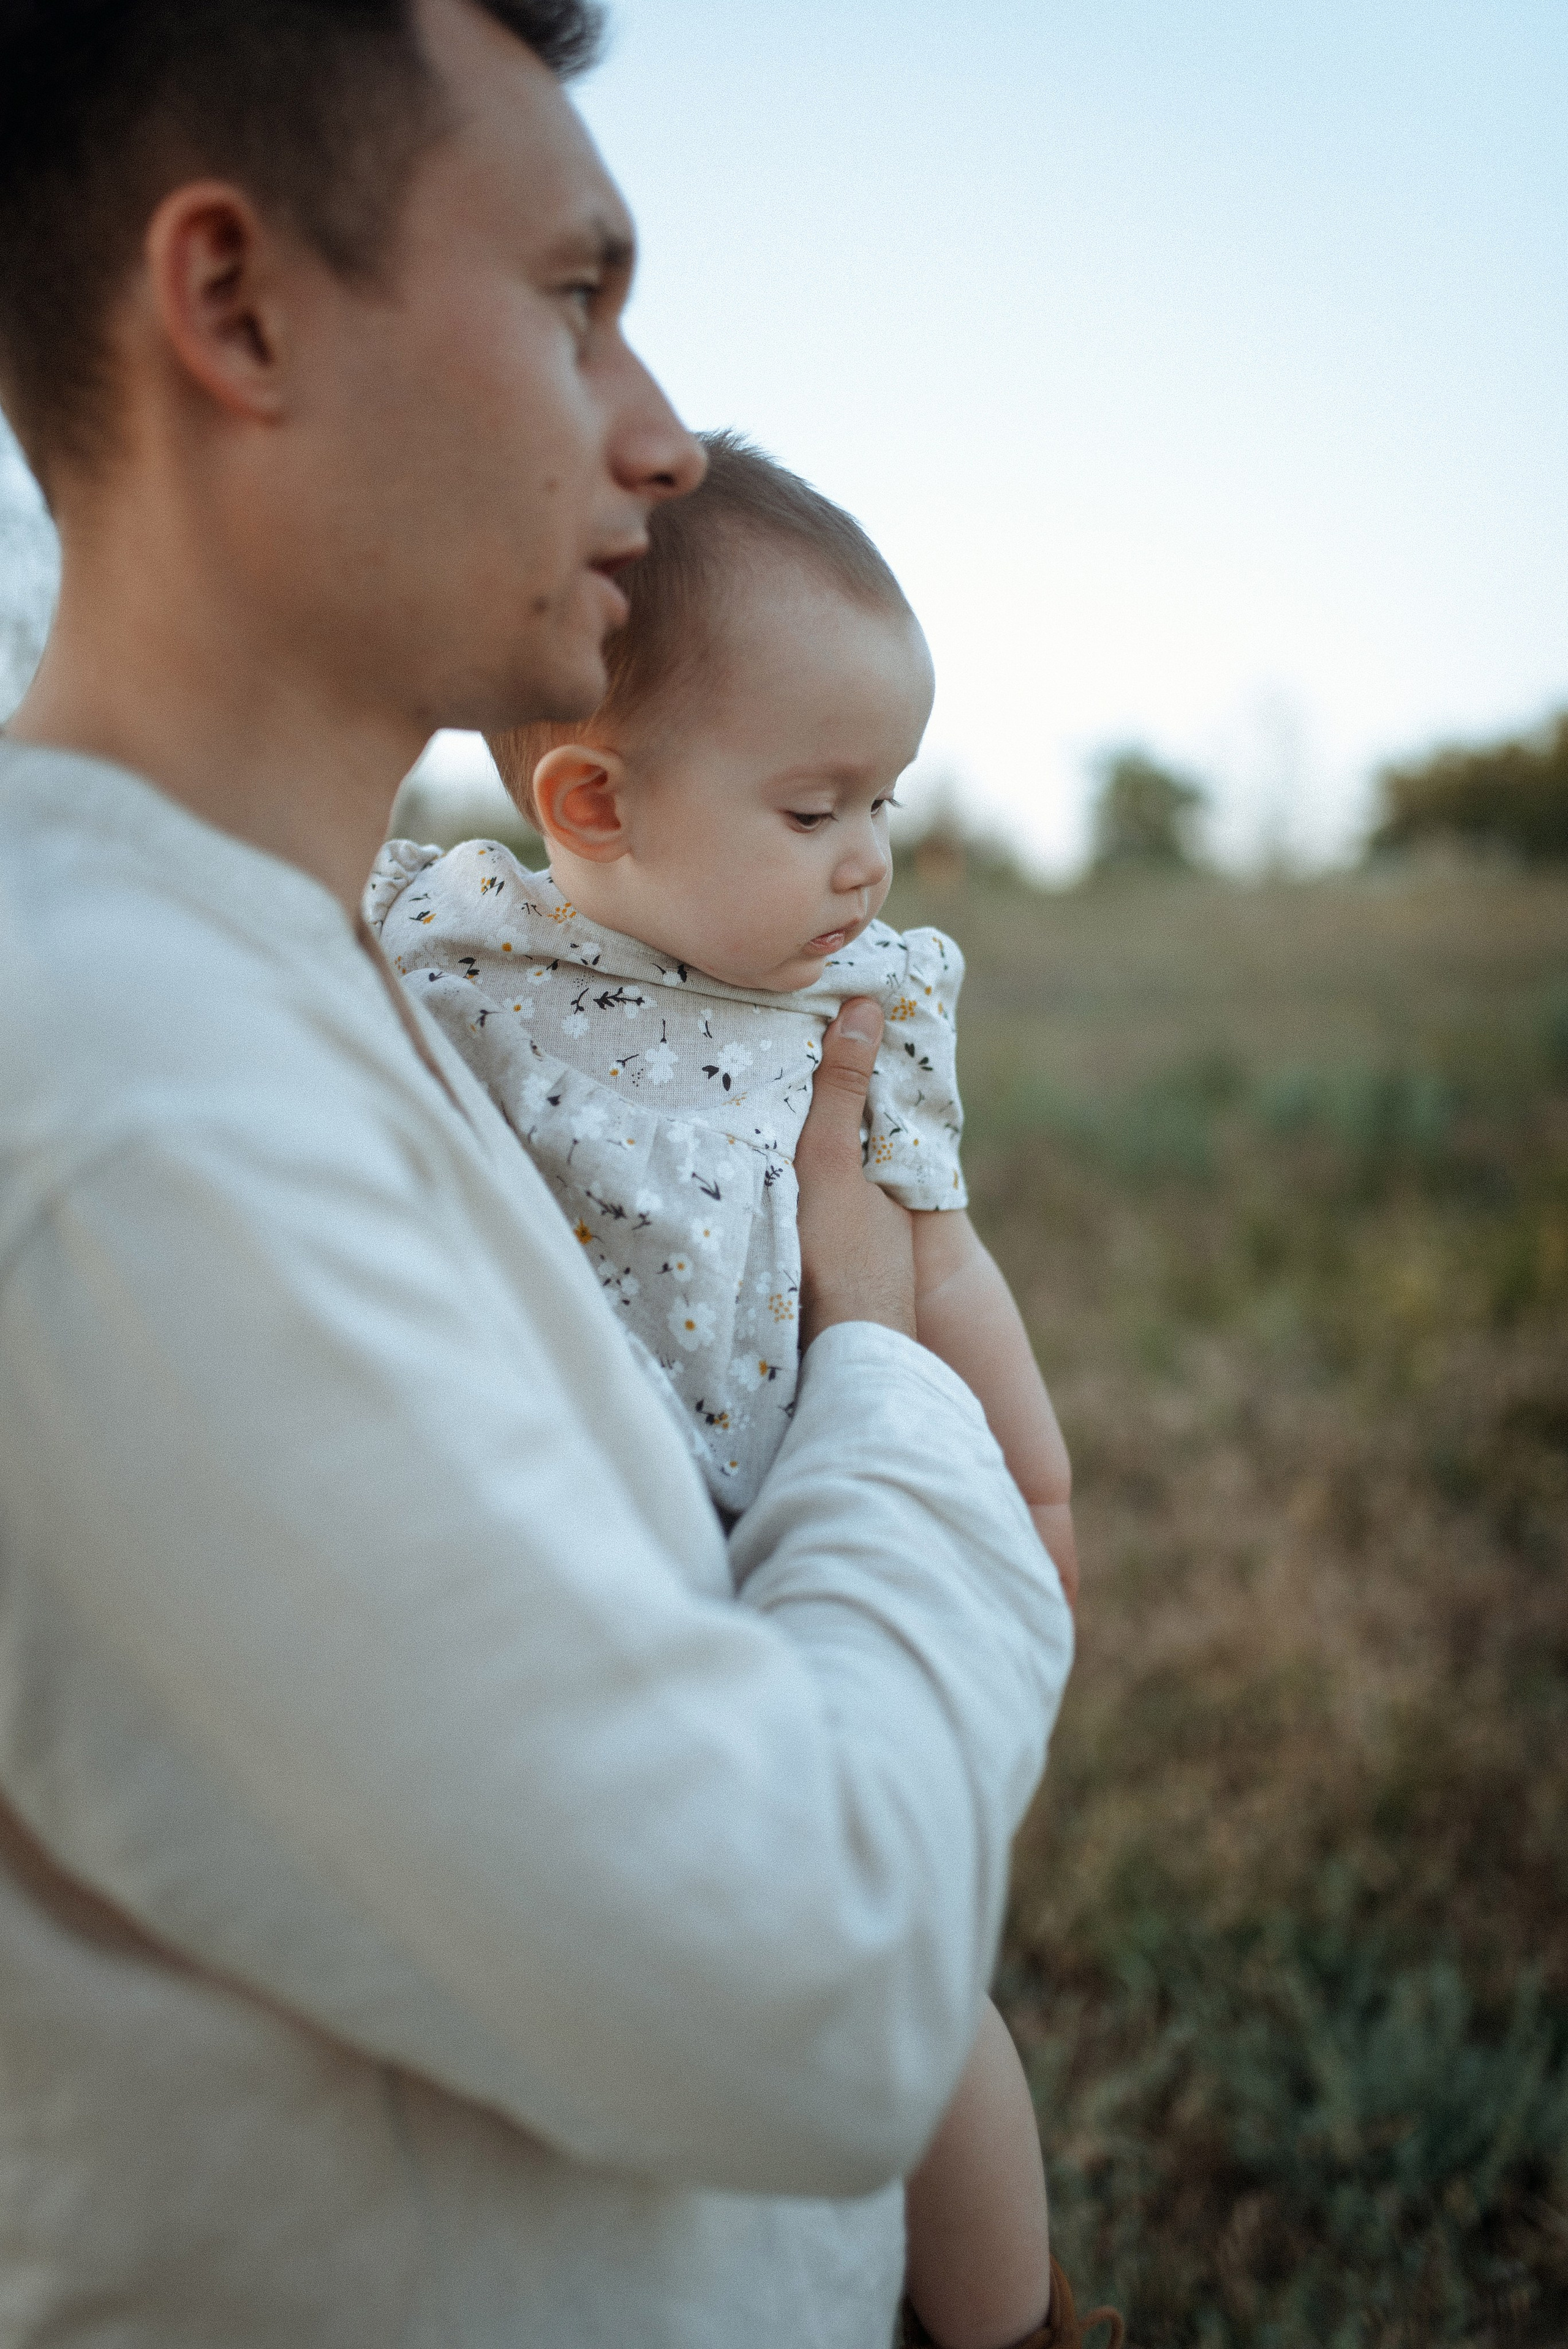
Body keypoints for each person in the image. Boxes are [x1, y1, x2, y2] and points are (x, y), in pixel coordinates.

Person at [0, 4, 1077, 2347]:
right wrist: (882, 1373)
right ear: (237, 305)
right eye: (577, 298)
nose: (660, 429)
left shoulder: (285, 949)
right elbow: (816, 1990)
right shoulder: (117, 1121)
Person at [366, 433, 1093, 2349]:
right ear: (592, 796)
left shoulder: (861, 1009)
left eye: (888, 801)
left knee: (927, 2016)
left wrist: (1031, 1485)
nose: (867, 855)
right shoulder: (460, 949)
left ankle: (1011, 2323)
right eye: (812, 805)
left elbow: (940, 1261)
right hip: (579, 1568)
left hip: (792, 1536)